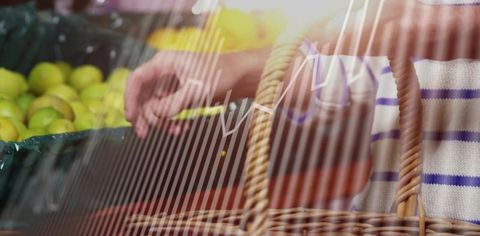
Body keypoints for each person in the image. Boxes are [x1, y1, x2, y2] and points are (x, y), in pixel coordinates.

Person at [125, 0, 480, 223]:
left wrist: (428, 24)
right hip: (389, 231)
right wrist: (228, 66)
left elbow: (416, 27)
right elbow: (349, 71)